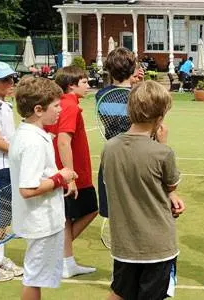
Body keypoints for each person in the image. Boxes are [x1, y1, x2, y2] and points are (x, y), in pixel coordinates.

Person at [103, 81, 186, 300]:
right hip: (157, 245)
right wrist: (163, 144)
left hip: (124, 243)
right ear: (160, 118)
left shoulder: (109, 148)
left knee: (120, 291)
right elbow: (171, 183)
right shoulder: (162, 153)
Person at [9, 76, 76, 300]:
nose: (60, 110)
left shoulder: (33, 134)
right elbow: (28, 188)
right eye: (56, 106)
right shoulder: (33, 142)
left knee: (36, 276)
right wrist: (62, 177)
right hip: (40, 222)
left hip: (41, 220)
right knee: (34, 278)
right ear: (38, 109)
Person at [44, 66, 98, 278]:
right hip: (72, 174)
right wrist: (71, 176)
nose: (88, 85)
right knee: (91, 209)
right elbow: (64, 141)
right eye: (84, 82)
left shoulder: (63, 105)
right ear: (71, 85)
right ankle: (59, 255)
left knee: (67, 217)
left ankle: (65, 260)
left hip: (65, 172)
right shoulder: (68, 106)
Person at [0, 61, 23, 282]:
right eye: (4, 80)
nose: (10, 83)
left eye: (11, 79)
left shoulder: (4, 105)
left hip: (6, 167)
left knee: (4, 215)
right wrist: (21, 150)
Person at [95, 47, 137, 221]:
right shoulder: (139, 95)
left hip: (112, 154)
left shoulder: (101, 95)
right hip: (136, 156)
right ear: (133, 69)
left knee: (114, 213)